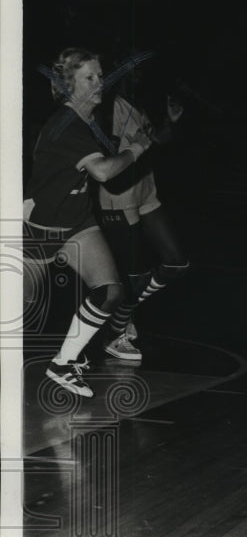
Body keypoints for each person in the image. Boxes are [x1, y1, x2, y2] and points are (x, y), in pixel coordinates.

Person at [23, 48, 154, 397]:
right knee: (18, 309)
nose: (101, 83)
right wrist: (138, 147)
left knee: (111, 291)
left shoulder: (85, 123)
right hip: (43, 226)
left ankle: (63, 363)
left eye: (101, 75)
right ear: (69, 86)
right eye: (90, 78)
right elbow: (103, 172)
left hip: (77, 220)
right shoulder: (66, 125)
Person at [94, 59, 190, 362]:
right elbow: (108, 159)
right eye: (131, 67)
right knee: (131, 277)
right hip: (119, 198)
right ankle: (115, 333)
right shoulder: (109, 109)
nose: (138, 74)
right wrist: (136, 146)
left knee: (176, 263)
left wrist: (170, 122)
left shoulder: (135, 104)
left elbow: (157, 141)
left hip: (146, 191)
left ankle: (121, 317)